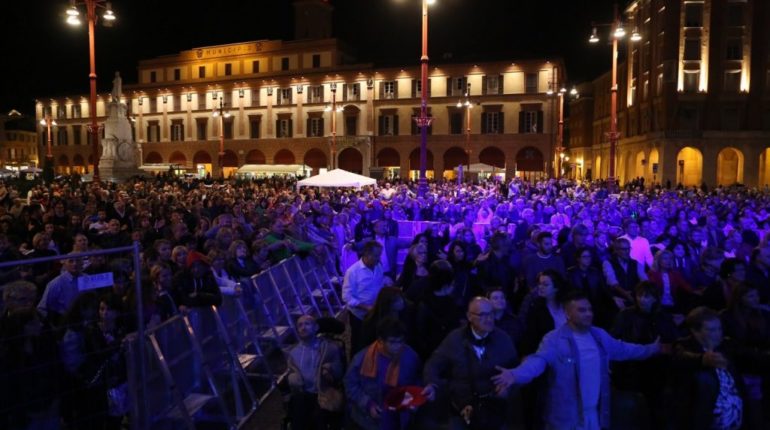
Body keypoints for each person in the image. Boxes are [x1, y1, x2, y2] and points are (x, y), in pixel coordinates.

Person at [493, 291, 662, 430]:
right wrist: (515, 375)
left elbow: (624, 349)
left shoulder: (599, 335)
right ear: (567, 313)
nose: (588, 313)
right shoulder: (554, 339)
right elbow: (538, 361)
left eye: (589, 309)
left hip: (595, 416)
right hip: (566, 420)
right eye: (581, 310)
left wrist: (651, 349)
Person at [424, 297, 519, 430]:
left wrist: (508, 388)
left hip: (494, 409)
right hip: (461, 406)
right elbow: (433, 365)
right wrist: (432, 384)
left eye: (491, 313)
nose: (489, 319)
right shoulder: (455, 339)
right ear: (469, 316)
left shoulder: (504, 340)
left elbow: (516, 372)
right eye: (482, 315)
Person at [669, 307, 753, 430]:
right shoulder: (684, 347)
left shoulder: (726, 346)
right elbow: (681, 357)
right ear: (695, 332)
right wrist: (702, 359)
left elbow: (749, 355)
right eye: (712, 330)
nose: (718, 333)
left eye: (719, 329)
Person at [344, 318, 426, 430]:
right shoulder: (362, 359)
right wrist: (368, 404)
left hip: (400, 416)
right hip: (371, 418)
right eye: (392, 342)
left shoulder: (410, 356)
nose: (398, 346)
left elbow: (418, 380)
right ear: (380, 341)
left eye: (401, 341)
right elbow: (350, 385)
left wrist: (414, 400)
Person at [286, 315, 345, 430]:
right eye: (300, 325)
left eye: (307, 324)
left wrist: (330, 369)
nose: (303, 328)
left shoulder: (330, 348)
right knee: (299, 410)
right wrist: (291, 377)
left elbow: (340, 374)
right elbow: (290, 371)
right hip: (303, 394)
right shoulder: (293, 353)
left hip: (324, 391)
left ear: (316, 327)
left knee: (320, 418)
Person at [343, 241, 385, 355]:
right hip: (358, 315)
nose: (379, 258)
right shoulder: (352, 271)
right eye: (376, 255)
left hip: (374, 312)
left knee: (372, 342)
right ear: (367, 254)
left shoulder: (378, 267)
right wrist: (365, 307)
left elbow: (380, 285)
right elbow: (346, 296)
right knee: (358, 344)